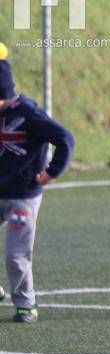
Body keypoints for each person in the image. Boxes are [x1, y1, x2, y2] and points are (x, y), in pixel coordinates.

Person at [0, 49, 75, 323]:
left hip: (22, 196)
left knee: (15, 255)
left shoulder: (29, 114)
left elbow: (65, 138)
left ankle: (25, 304)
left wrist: (52, 172)